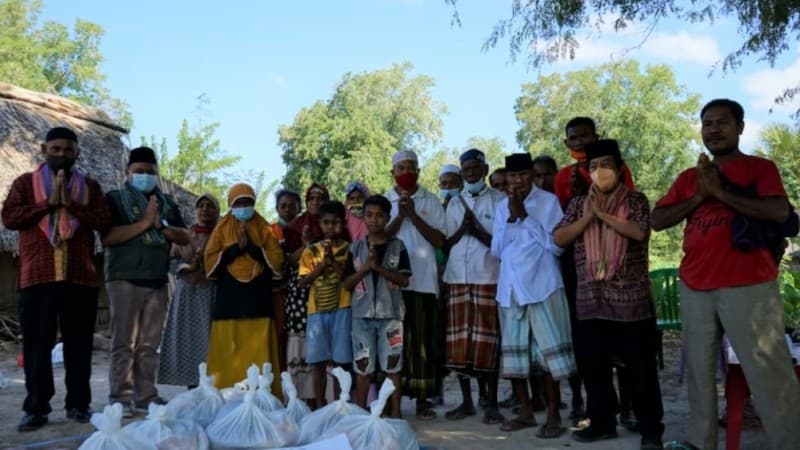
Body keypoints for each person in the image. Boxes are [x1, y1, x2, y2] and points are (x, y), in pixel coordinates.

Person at [652, 98, 800, 450]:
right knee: (699, 373)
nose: (714, 130)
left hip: (748, 284)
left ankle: (789, 441)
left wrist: (721, 191)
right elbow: (658, 220)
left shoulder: (759, 168)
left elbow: (780, 212)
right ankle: (701, 443)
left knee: (769, 372)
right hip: (695, 285)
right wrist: (699, 196)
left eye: (722, 122)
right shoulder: (689, 178)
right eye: (708, 123)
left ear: (740, 128)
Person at [554, 140, 664, 449]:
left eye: (605, 165)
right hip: (591, 303)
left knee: (641, 371)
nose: (599, 171)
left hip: (631, 303)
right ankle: (603, 423)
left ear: (619, 168)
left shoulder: (636, 200)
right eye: (593, 166)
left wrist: (604, 216)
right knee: (594, 370)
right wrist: (590, 216)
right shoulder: (578, 204)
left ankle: (650, 429)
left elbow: (639, 232)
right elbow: (559, 237)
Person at [2, 127, 110, 432]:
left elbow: (104, 220)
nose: (62, 154)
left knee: (79, 346)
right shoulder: (24, 184)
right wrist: (49, 203)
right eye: (56, 149)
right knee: (37, 347)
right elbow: (10, 218)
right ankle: (36, 409)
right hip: (37, 277)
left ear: (77, 153)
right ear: (43, 150)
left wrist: (71, 203)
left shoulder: (90, 187)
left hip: (80, 278)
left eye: (68, 149)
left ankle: (78, 405)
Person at [554, 117, 636, 426]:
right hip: (579, 264)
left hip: (617, 261)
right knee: (587, 339)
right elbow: (562, 221)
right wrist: (579, 198)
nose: (580, 143)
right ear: (567, 143)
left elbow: (628, 208)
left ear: (595, 137)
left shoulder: (619, 170)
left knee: (623, 339)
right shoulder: (563, 176)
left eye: (585, 136)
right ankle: (597, 409)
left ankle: (628, 407)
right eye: (573, 138)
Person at [491, 153, 577, 437]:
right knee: (515, 356)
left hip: (542, 286)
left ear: (531, 175)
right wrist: (511, 216)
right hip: (511, 289)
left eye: (522, 175)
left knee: (549, 357)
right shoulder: (501, 206)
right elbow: (497, 250)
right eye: (512, 176)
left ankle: (553, 415)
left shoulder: (548, 202)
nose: (517, 181)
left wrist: (524, 217)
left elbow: (556, 246)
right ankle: (526, 412)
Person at [102, 146, 189, 417]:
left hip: (156, 279)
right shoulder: (114, 199)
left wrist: (161, 225)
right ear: (127, 172)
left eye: (150, 172)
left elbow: (184, 236)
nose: (145, 176)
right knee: (123, 343)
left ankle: (146, 396)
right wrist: (145, 223)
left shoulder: (167, 202)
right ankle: (120, 398)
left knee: (149, 345)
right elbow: (108, 237)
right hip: (124, 278)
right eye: (139, 171)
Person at [443, 149, 506, 425]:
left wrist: (476, 230)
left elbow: (502, 244)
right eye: (466, 170)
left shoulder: (500, 201)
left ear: (485, 169)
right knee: (460, 344)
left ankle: (491, 403)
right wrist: (463, 230)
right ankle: (467, 401)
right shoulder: (454, 204)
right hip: (457, 277)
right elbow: (446, 242)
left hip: (487, 277)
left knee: (487, 343)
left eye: (475, 169)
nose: (471, 174)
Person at [385, 150, 446, 420]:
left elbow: (440, 241)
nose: (406, 172)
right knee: (394, 343)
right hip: (391, 285)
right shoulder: (385, 201)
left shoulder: (430, 200)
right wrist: (399, 216)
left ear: (419, 172)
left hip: (423, 283)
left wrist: (413, 216)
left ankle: (422, 401)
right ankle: (392, 403)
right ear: (393, 173)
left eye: (411, 167)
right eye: (401, 168)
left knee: (423, 343)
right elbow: (379, 238)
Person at [204, 183, 283, 392]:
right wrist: (234, 250)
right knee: (228, 351)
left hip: (258, 301)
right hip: (229, 302)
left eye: (247, 202)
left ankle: (261, 396)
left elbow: (276, 259)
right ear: (231, 205)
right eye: (238, 203)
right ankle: (225, 396)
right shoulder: (221, 229)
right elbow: (210, 261)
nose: (243, 207)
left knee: (258, 354)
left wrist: (252, 248)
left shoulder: (264, 228)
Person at [343, 195, 412, 418]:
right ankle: (362, 415)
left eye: (380, 216)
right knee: (363, 367)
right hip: (361, 316)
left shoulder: (397, 246)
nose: (374, 220)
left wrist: (378, 268)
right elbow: (346, 284)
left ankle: (396, 414)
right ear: (363, 217)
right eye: (369, 215)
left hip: (391, 316)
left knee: (393, 367)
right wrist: (365, 268)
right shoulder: (355, 248)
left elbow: (404, 280)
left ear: (388, 218)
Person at [157, 194, 220, 388]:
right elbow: (171, 263)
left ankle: (211, 385)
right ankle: (192, 385)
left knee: (210, 339)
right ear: (195, 211)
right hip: (187, 294)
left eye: (210, 206)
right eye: (201, 206)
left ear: (217, 211)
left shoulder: (222, 236)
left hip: (212, 293)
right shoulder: (184, 235)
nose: (205, 209)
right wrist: (188, 268)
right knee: (188, 338)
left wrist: (208, 269)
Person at [298, 201, 353, 409]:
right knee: (318, 362)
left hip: (343, 309)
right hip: (316, 311)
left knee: (341, 361)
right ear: (320, 224)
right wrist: (322, 266)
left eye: (335, 222)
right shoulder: (311, 251)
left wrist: (333, 263)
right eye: (326, 223)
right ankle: (321, 405)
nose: (330, 227)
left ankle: (340, 405)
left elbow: (351, 279)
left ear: (344, 224)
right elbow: (303, 282)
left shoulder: (351, 249)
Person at [283, 183, 330, 401]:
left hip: (327, 288)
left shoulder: (332, 224)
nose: (316, 202)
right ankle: (300, 395)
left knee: (322, 337)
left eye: (321, 199)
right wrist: (306, 245)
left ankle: (322, 396)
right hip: (301, 289)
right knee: (301, 336)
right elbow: (289, 261)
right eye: (312, 199)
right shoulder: (295, 226)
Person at [272, 188, 302, 371]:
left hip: (300, 293)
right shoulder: (269, 231)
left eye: (292, 206)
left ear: (299, 209)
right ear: (276, 208)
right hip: (277, 293)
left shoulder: (306, 232)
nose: (287, 210)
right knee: (278, 336)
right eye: (283, 206)